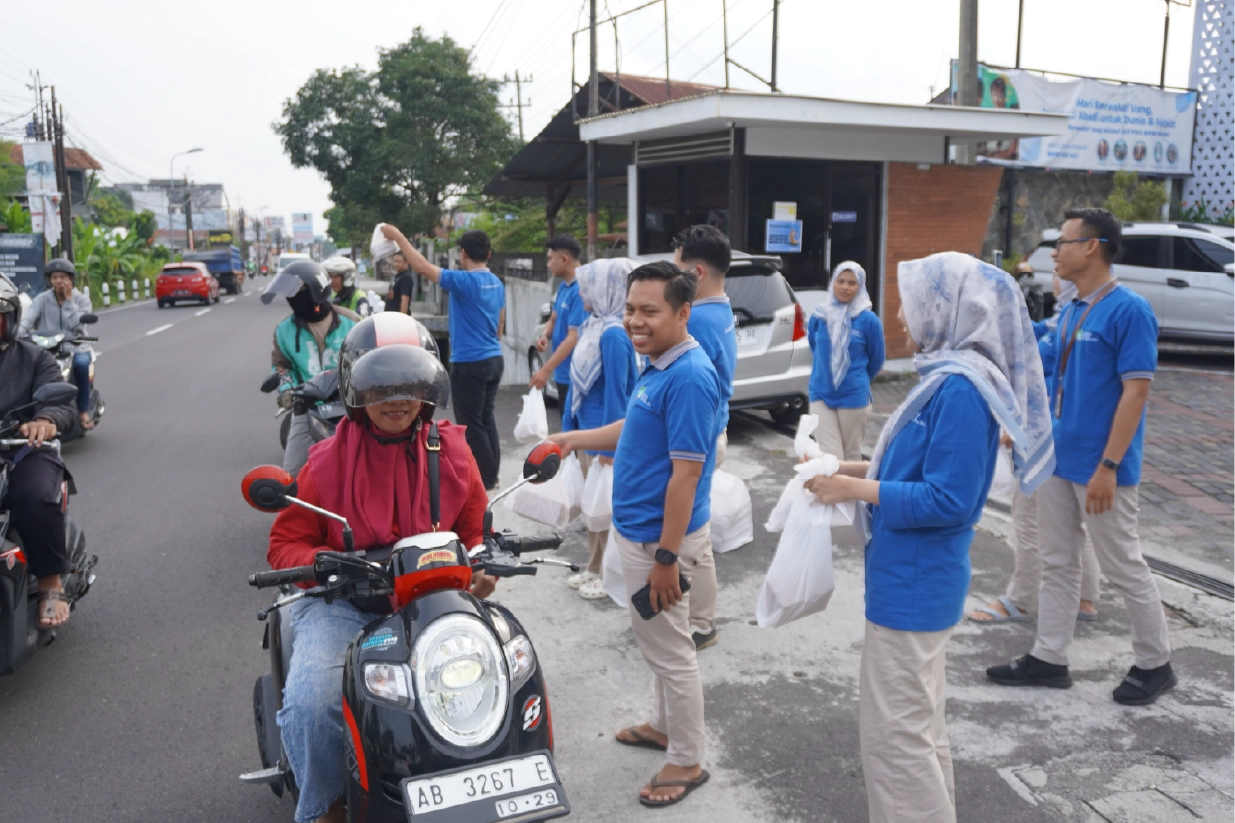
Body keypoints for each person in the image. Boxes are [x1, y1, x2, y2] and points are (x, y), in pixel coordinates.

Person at [807, 252, 1054, 823]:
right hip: (908, 578)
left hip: (916, 585)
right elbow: (908, 468)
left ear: (948, 309)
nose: (901, 314)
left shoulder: (962, 390)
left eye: (913, 302)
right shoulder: (946, 380)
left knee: (898, 742)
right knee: (917, 729)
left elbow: (948, 499)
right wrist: (842, 468)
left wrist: (852, 489)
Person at [268, 333, 494, 823]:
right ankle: (327, 807)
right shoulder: (324, 463)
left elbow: (478, 530)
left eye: (409, 385)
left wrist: (482, 563)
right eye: (381, 387)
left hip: (436, 599)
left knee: (501, 679)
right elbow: (286, 543)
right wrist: (327, 563)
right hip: (344, 604)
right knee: (313, 703)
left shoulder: (454, 451)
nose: (397, 399)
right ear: (356, 390)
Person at [987, 208, 1177, 706]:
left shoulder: (1129, 310)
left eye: (1063, 242)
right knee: (1058, 561)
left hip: (1100, 467)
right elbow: (1042, 366)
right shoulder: (1071, 310)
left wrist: (1109, 467)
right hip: (1058, 459)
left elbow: (1136, 393)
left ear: (1092, 247)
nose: (1055, 252)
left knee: (1123, 564)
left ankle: (1155, 663)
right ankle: (1049, 657)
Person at [550, 260, 719, 808]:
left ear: (683, 312)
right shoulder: (660, 364)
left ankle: (687, 759)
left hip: (659, 543)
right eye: (629, 309)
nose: (634, 321)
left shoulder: (689, 376)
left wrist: (667, 557)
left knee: (673, 652)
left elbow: (686, 476)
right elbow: (636, 427)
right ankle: (665, 728)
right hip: (643, 535)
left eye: (650, 311)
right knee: (660, 644)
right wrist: (574, 439)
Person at [968, 273, 1101, 625]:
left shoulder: (1070, 324)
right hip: (1066, 436)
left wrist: (1020, 424)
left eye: (1060, 267)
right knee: (1072, 524)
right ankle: (1085, 598)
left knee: (1029, 520)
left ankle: (1022, 600)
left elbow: (1044, 375)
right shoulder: (1074, 318)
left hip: (1043, 435)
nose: (1054, 271)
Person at [381, 225, 506, 490]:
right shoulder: (497, 283)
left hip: (470, 361)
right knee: (486, 418)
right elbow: (500, 326)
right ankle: (492, 475)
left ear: (463, 254)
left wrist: (398, 236)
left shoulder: (464, 281)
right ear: (489, 254)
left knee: (472, 423)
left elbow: (422, 267)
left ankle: (485, 480)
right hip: (495, 358)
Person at [0, 273, 78, 628]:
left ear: (10, 319)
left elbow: (60, 402)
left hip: (21, 450)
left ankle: (49, 582)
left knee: (35, 497)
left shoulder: (34, 358)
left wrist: (44, 420)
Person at [670, 224, 735, 651]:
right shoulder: (720, 309)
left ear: (696, 272)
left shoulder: (701, 319)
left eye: (677, 270)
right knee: (697, 533)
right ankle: (698, 617)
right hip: (713, 428)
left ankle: (701, 623)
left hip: (699, 434)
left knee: (694, 535)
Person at [562, 257, 639, 600]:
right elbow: (577, 384)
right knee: (592, 508)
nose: (582, 293)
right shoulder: (594, 325)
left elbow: (617, 394)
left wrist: (610, 447)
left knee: (604, 510)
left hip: (602, 437)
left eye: (586, 286)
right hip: (587, 433)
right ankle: (594, 564)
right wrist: (569, 427)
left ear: (605, 289)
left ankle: (607, 573)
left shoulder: (613, 335)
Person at [262, 259, 359, 475]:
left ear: (317, 289)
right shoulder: (284, 330)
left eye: (298, 292)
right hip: (306, 407)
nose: (292, 299)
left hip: (350, 408)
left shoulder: (352, 322)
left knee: (365, 467)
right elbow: (282, 367)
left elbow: (368, 361)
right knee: (291, 475)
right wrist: (287, 391)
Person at [807, 261, 885, 461]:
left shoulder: (869, 321)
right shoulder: (819, 317)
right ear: (833, 282)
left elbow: (877, 359)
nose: (845, 287)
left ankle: (851, 484)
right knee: (830, 458)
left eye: (852, 283)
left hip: (853, 397)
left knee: (850, 457)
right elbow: (815, 347)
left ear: (860, 287)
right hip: (820, 395)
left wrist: (856, 378)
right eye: (840, 281)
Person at [19, 258, 95, 431]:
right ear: (49, 280)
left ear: (71, 279)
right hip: (47, 348)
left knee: (81, 365)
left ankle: (83, 411)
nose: (59, 281)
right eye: (54, 277)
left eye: (63, 277)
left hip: (76, 347)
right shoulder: (42, 299)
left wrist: (69, 301)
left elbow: (77, 325)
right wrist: (16, 334)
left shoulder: (82, 300)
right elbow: (27, 321)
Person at [531, 235, 584, 422]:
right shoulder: (564, 287)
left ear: (564, 259)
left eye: (550, 259)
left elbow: (573, 338)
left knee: (577, 432)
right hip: (562, 375)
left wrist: (545, 370)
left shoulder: (581, 290)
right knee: (567, 425)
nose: (548, 264)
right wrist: (545, 336)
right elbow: (553, 319)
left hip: (578, 377)